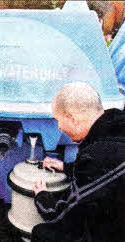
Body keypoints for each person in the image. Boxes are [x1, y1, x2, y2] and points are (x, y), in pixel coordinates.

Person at [31, 82, 125, 242]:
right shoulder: (117, 128)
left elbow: (63, 214)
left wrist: (42, 197)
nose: (59, 127)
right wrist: (66, 167)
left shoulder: (97, 157)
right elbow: (107, 175)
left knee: (42, 233)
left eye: (58, 120)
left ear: (72, 119)